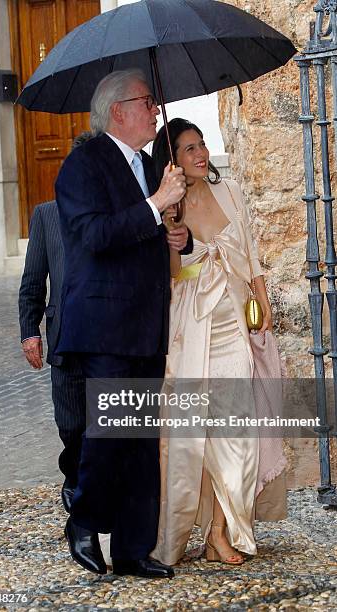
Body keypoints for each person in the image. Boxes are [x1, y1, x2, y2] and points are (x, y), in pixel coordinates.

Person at [55, 70, 192, 578]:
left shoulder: (151, 162)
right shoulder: (82, 165)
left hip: (146, 321)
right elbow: (94, 235)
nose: (155, 110)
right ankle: (84, 523)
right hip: (105, 322)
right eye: (147, 102)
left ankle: (134, 548)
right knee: (109, 434)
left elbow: (150, 231)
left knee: (139, 442)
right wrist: (156, 205)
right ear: (119, 110)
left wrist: (177, 237)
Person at [151, 118, 274, 566]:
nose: (201, 154)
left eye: (202, 145)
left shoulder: (231, 191)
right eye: (188, 149)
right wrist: (171, 239)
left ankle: (220, 532)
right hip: (193, 328)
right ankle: (183, 529)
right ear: (173, 161)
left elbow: (252, 253)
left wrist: (261, 301)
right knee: (191, 436)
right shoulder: (171, 208)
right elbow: (171, 276)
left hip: (234, 326)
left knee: (238, 432)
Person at [18, 131, 92, 513]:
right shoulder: (46, 215)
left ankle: (93, 493)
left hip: (107, 337)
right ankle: (74, 474)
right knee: (71, 424)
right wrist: (30, 331)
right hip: (64, 338)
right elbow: (32, 281)